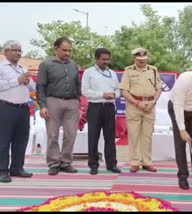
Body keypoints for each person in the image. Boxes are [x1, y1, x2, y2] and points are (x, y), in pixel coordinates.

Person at [36, 37, 81, 176]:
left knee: (71, 134)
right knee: (53, 134)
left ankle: (66, 162)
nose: (67, 53)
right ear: (56, 48)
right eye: (64, 50)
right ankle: (54, 163)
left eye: (69, 50)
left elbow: (77, 85)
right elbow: (41, 86)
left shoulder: (73, 65)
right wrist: (42, 105)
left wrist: (78, 102)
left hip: (72, 102)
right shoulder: (46, 64)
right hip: (53, 101)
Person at [119, 48, 162, 173]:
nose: (142, 62)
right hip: (134, 105)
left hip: (150, 105)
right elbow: (124, 91)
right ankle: (135, 162)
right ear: (134, 59)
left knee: (147, 136)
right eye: (139, 60)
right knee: (133, 135)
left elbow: (159, 89)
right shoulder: (128, 71)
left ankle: (147, 162)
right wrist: (137, 102)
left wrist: (153, 102)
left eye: (144, 60)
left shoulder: (153, 71)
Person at [0, 40, 36, 183]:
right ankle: (2, 170)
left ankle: (17, 167)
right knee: (3, 140)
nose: (18, 53)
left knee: (21, 140)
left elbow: (33, 88)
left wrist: (28, 81)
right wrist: (17, 81)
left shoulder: (22, 68)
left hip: (23, 108)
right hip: (6, 107)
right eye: (14, 50)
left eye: (20, 50)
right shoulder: (2, 68)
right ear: (5, 51)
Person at [81, 48, 121, 175]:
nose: (106, 62)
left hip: (109, 108)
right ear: (96, 59)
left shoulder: (112, 73)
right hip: (95, 107)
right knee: (93, 136)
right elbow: (85, 91)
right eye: (103, 59)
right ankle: (93, 164)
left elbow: (119, 91)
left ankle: (112, 164)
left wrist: (114, 95)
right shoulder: (89, 72)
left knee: (110, 137)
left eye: (108, 59)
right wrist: (103, 94)